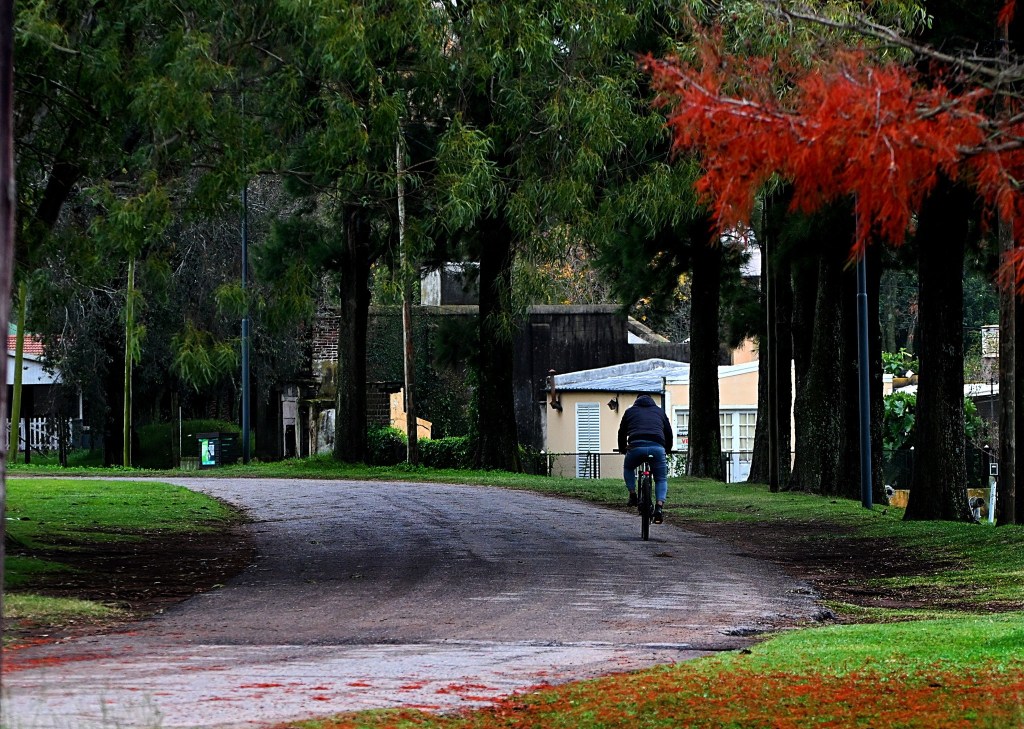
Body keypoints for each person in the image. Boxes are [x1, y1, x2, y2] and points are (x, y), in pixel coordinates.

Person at [617, 394, 673, 524]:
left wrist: (622, 448)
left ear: (636, 401)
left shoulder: (629, 411)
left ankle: (632, 494)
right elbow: (668, 433)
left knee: (629, 467)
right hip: (657, 448)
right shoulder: (659, 411)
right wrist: (667, 449)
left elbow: (622, 432)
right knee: (661, 479)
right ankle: (659, 507)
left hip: (635, 447)